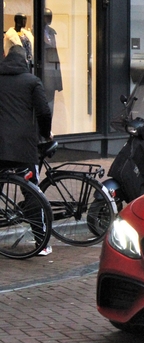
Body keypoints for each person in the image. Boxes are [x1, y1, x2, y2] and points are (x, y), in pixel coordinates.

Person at [0, 45, 53, 255]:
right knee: (32, 192)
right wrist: (46, 133)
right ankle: (41, 243)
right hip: (23, 146)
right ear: (26, 61)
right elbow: (44, 112)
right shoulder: (31, 81)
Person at [43, 8, 63, 113]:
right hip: (43, 72)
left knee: (50, 106)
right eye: (47, 16)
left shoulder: (51, 33)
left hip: (52, 72)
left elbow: (55, 55)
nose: (49, 19)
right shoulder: (35, 32)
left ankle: (48, 128)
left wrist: (58, 80)